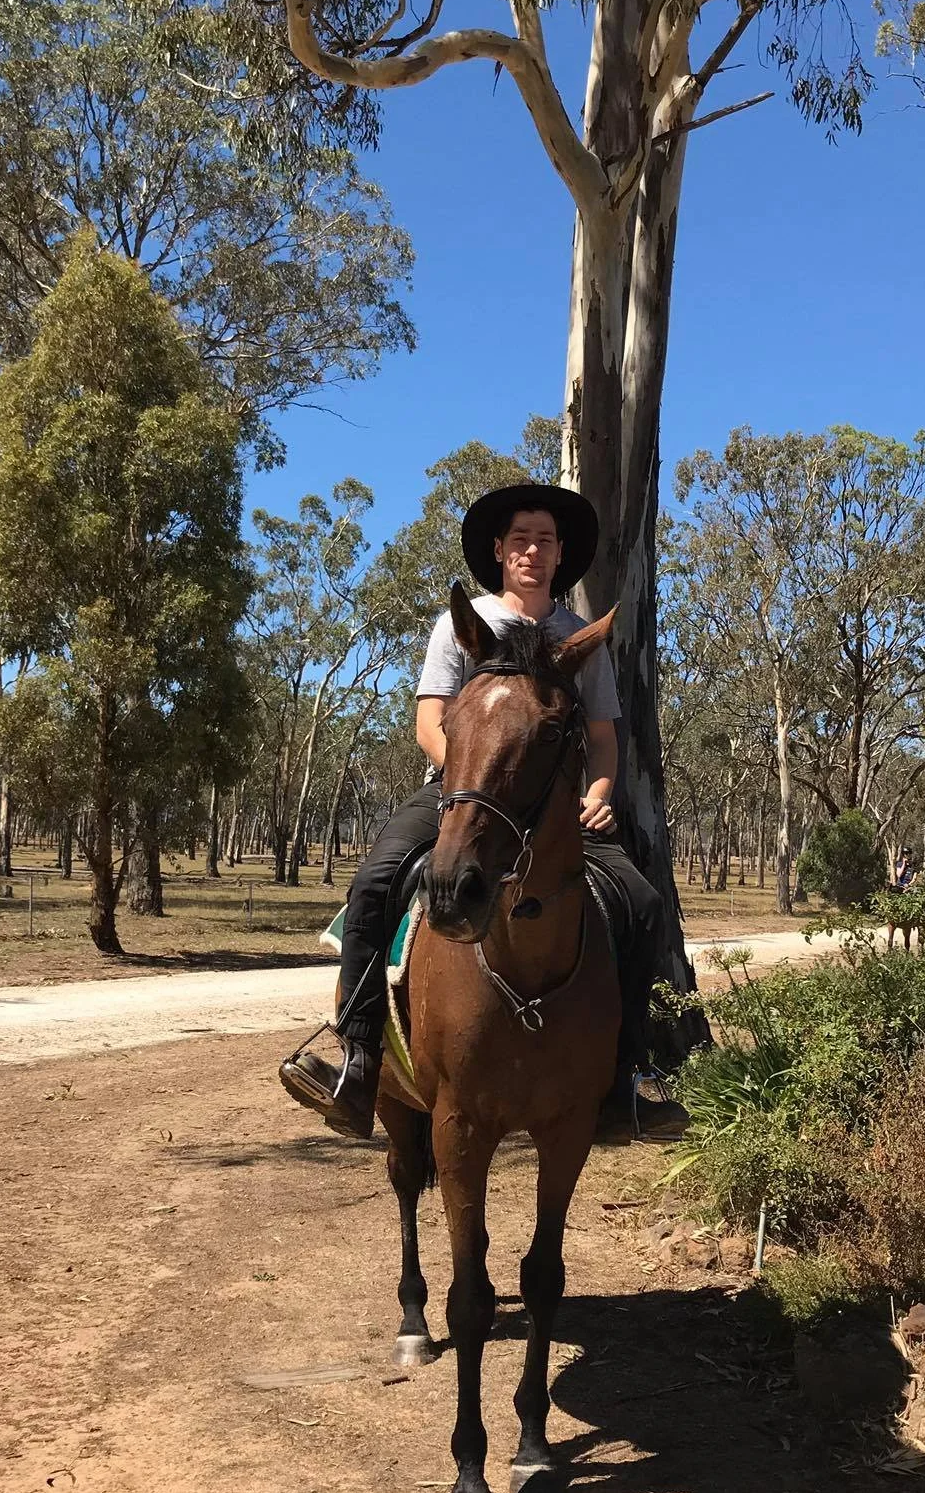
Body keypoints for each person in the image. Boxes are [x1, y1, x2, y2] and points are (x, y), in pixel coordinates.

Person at [278, 480, 689, 1146]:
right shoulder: (462, 624)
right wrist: (464, 786)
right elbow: (427, 722)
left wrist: (598, 797)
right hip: (460, 790)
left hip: (555, 806)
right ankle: (356, 1059)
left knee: (641, 905)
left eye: (545, 540)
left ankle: (628, 1080)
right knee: (375, 883)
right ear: (500, 551)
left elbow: (607, 739)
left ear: (561, 556)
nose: (533, 550)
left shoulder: (577, 640)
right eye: (521, 538)